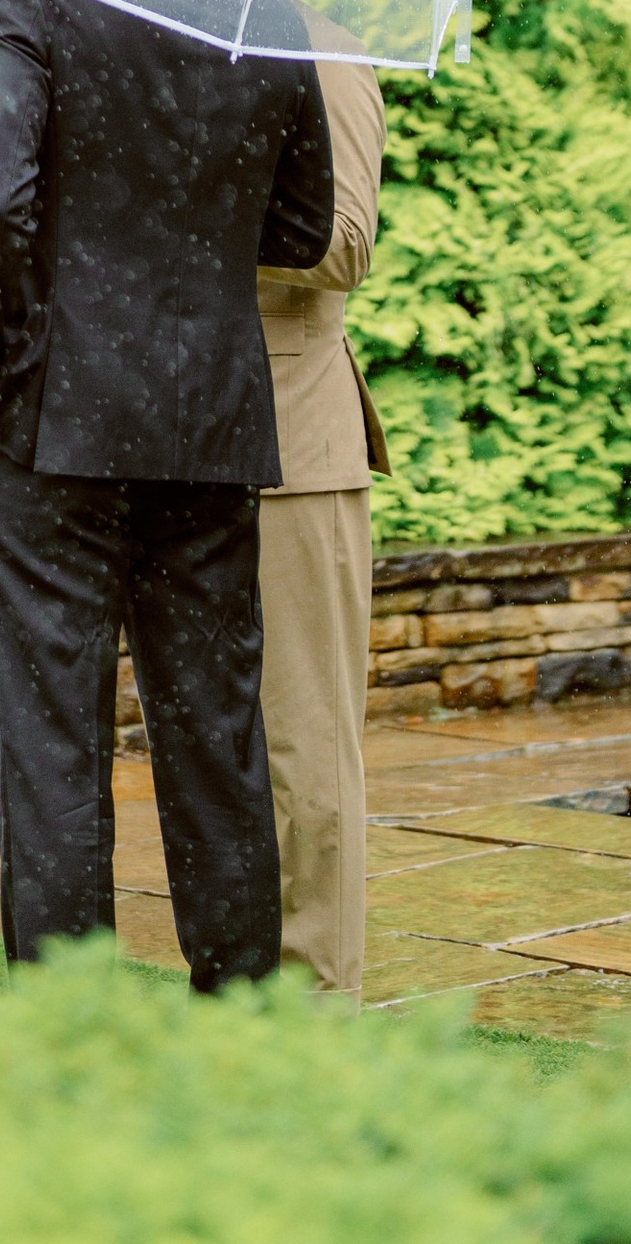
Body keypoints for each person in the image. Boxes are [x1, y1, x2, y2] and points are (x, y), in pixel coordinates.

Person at [0, 0, 337, 991]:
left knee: (51, 748)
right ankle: (241, 1024)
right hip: (209, 428)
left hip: (45, 428)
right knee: (214, 742)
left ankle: (73, 1042)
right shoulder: (259, 4)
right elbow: (301, 229)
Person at [257, 55, 387, 1001]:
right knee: (216, 746)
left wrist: (191, 198)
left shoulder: (327, 51)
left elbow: (345, 243)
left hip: (294, 444)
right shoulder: (169, 30)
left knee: (303, 748)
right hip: (173, 436)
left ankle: (314, 999)